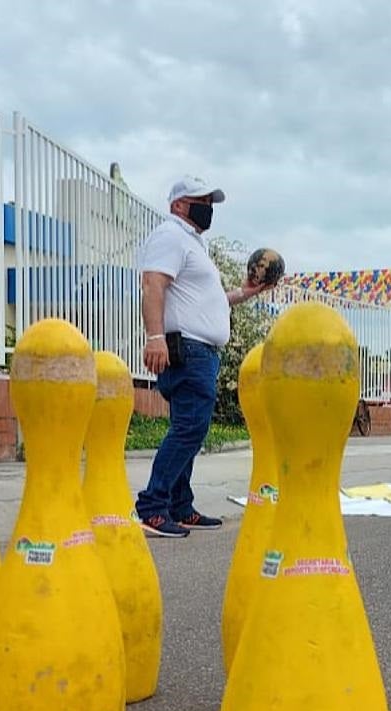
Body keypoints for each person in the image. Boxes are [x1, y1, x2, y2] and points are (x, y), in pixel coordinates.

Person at [134, 175, 274, 538]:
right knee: (189, 429)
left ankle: (180, 506)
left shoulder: (192, 244)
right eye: (202, 201)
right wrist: (155, 337)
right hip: (189, 349)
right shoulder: (170, 236)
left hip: (202, 352)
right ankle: (152, 506)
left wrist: (244, 292)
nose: (208, 209)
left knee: (190, 429)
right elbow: (153, 285)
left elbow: (205, 302)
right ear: (179, 204)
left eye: (211, 203)